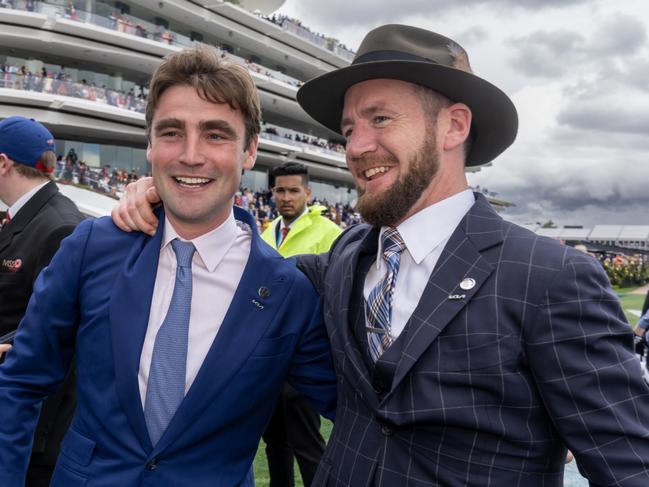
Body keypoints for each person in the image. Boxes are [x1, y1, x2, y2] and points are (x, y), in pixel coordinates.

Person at [111, 25, 649, 486]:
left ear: (453, 126)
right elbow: (246, 263)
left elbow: (630, 467)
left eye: (380, 120)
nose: (356, 145)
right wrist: (177, 194)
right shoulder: (346, 256)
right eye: (349, 128)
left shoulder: (551, 277)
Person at [0, 45, 336, 487]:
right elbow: (21, 381)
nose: (191, 155)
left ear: (250, 151)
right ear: (150, 143)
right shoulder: (92, 246)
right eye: (172, 132)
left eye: (216, 135)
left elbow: (357, 410)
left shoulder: (285, 289)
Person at [0, 116, 84, 487]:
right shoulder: (24, 218)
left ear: (3, 163)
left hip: (32, 427)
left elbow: (54, 328)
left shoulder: (60, 224)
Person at [261, 162, 341, 487]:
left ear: (308, 193)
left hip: (305, 358)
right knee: (274, 443)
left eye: (293, 190)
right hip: (268, 360)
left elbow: (337, 300)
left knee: (307, 445)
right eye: (280, 190)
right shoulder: (266, 232)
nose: (286, 196)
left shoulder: (330, 233)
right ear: (272, 193)